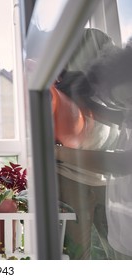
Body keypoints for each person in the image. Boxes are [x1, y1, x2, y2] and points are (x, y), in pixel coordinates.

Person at [55, 43, 132, 259]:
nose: (126, 107)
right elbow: (118, 115)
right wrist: (79, 96)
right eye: (123, 102)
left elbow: (122, 163)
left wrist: (58, 153)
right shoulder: (128, 109)